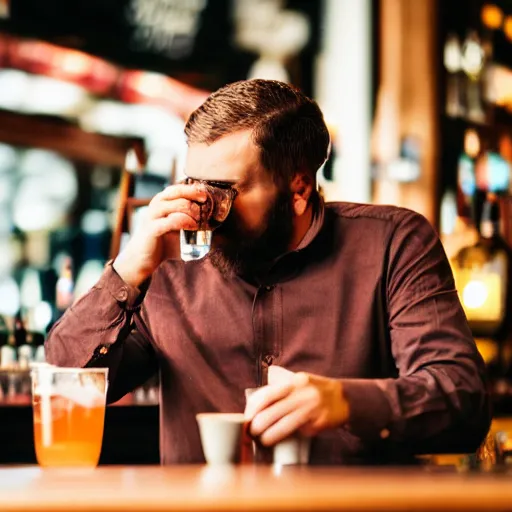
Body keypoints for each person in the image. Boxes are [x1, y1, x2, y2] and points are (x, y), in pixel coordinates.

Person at [45, 79, 490, 465]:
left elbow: (461, 402)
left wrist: (346, 402)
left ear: (298, 187)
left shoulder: (392, 243)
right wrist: (125, 273)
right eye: (191, 185)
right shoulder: (166, 266)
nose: (201, 211)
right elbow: (62, 389)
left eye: (220, 191)